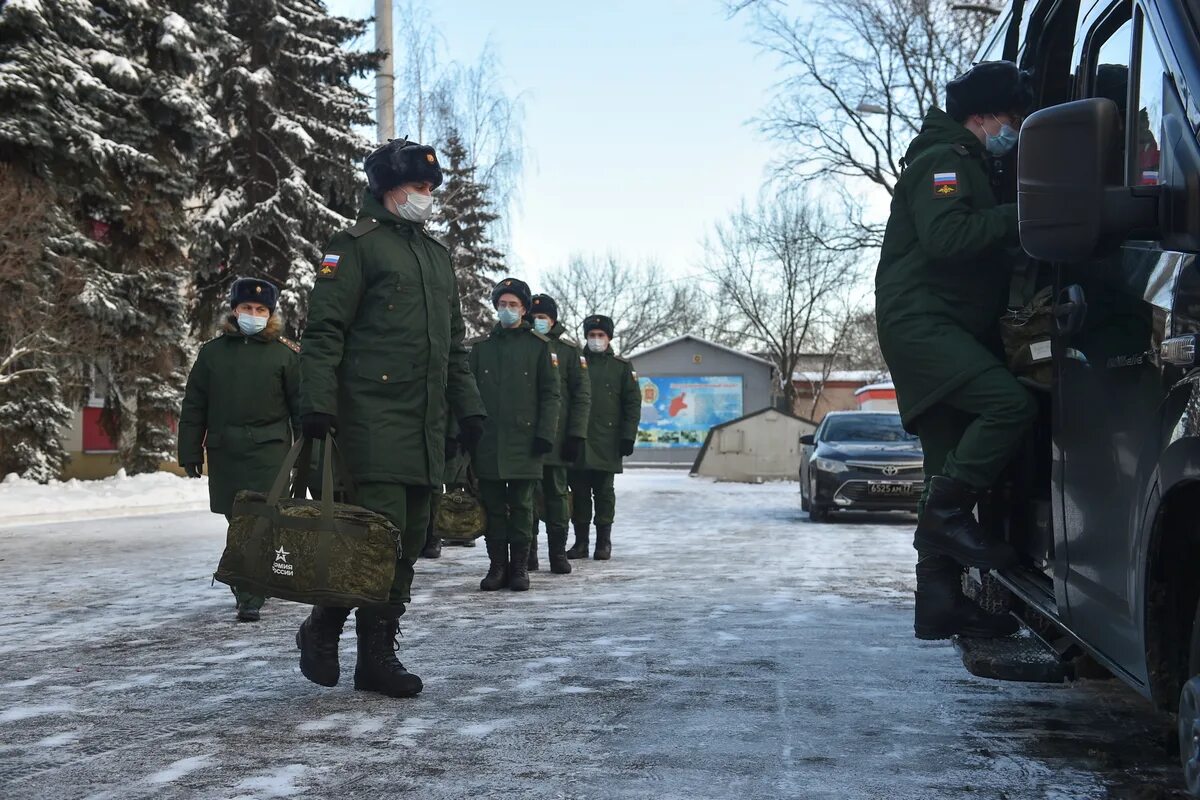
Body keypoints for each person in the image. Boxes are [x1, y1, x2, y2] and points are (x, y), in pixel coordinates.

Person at [296, 138, 486, 698]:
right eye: (418, 188)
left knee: (407, 540)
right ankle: (326, 624)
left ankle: (375, 655)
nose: (427, 198)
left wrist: (470, 408)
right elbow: (324, 330)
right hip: (371, 418)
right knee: (373, 535)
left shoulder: (436, 257)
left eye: (432, 189)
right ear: (386, 187)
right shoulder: (354, 247)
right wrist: (316, 401)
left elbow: (454, 347)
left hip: (425, 426)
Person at [874, 61, 1037, 640]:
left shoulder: (968, 160)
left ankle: (937, 602)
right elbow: (946, 238)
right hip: (924, 322)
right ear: (984, 115)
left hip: (946, 324)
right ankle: (946, 519)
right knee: (1009, 406)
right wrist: (1024, 217)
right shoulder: (944, 161)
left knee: (945, 465)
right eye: (1012, 119)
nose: (1012, 129)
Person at [178, 277, 300, 623]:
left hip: (270, 453)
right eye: (246, 307)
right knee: (239, 521)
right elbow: (194, 406)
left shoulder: (284, 355)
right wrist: (189, 451)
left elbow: (301, 409)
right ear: (234, 309)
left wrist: (311, 456)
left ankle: (251, 592)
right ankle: (249, 586)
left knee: (263, 520)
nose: (253, 314)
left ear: (270, 314)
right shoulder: (212, 354)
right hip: (226, 452)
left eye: (260, 309)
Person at [468, 278, 561, 591]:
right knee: (493, 505)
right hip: (489, 440)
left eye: (514, 304)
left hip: (526, 441)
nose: (507, 310)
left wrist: (545, 435)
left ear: (524, 309)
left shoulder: (539, 347)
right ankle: (497, 566)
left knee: (522, 505)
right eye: (502, 304)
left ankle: (520, 567)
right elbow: (465, 393)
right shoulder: (480, 349)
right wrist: (463, 432)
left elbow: (551, 396)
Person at [526, 294, 591, 575]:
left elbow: (581, 396)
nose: (538, 321)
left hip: (557, 438)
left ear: (553, 319)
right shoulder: (523, 345)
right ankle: (527, 553)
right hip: (525, 437)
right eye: (534, 316)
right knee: (524, 498)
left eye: (544, 317)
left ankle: (557, 554)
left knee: (556, 496)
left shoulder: (569, 351)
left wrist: (575, 435)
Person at [567, 315, 640, 561]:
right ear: (585, 337)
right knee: (579, 493)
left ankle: (603, 542)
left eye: (601, 335)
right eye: (592, 335)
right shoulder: (576, 362)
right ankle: (580, 543)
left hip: (608, 441)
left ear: (609, 338)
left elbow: (632, 405)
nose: (596, 339)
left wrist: (628, 436)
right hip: (578, 440)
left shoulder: (621, 367)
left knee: (604, 493)